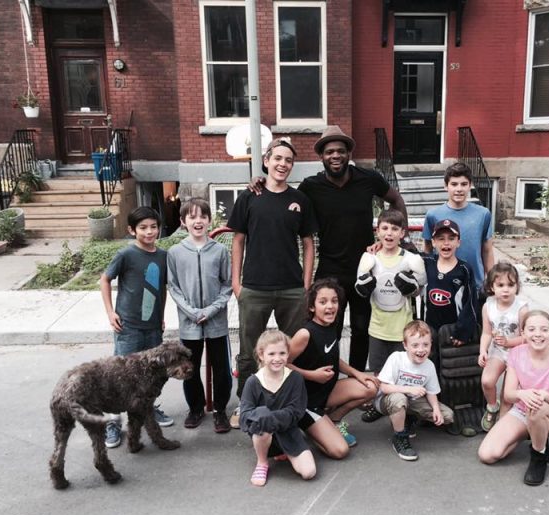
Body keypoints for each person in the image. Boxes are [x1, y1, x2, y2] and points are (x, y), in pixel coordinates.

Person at [299, 126, 410, 372]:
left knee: (361, 328)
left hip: (365, 267)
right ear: (321, 157)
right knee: (328, 328)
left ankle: (357, 377)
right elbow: (285, 200)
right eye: (329, 152)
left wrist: (395, 235)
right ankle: (327, 378)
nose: (335, 155)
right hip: (330, 269)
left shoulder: (367, 179)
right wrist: (262, 179)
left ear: (349, 153)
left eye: (340, 150)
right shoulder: (311, 186)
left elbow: (396, 199)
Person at [227, 138, 318, 428]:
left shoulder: (300, 200)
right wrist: (236, 283)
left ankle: (293, 402)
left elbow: (308, 243)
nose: (282, 164)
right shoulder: (249, 197)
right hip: (254, 287)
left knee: (292, 350)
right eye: (277, 158)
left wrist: (306, 284)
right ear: (266, 161)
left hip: (291, 288)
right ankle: (245, 404)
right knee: (248, 350)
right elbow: (238, 240)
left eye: (288, 160)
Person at [99, 206, 174, 449]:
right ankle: (112, 421)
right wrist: (111, 312)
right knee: (120, 376)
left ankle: (149, 409)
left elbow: (161, 290)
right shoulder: (126, 255)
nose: (149, 231)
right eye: (143, 228)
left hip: (152, 327)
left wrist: (161, 317)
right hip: (128, 327)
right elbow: (105, 279)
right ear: (132, 230)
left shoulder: (163, 256)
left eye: (153, 227)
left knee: (151, 373)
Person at [477, 310, 549, 486]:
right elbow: (508, 394)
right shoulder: (516, 353)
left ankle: (539, 456)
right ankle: (533, 431)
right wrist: (521, 393)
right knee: (488, 455)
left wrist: (545, 396)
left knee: (537, 407)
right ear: (523, 333)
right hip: (522, 410)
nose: (538, 334)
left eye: (544, 329)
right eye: (531, 329)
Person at [289, 278, 379, 455]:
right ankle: (309, 427)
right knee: (340, 451)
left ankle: (333, 419)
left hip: (327, 392)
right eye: (323, 302)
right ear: (312, 307)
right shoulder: (305, 334)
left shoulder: (331, 326)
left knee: (370, 386)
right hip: (307, 401)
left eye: (334, 301)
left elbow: (332, 357)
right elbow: (281, 365)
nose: (330, 306)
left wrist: (357, 373)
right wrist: (311, 375)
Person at [167, 198, 233, 432]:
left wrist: (211, 310)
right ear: (183, 222)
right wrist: (192, 312)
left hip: (216, 322)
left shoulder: (220, 251)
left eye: (202, 216)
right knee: (189, 368)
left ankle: (220, 410)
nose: (198, 221)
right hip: (189, 323)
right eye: (192, 217)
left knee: (221, 368)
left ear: (209, 220)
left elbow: (227, 285)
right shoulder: (175, 252)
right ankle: (195, 409)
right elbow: (173, 287)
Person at [239, 330, 316, 487]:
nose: (277, 358)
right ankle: (262, 462)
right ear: (261, 355)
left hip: (288, 430)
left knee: (309, 472)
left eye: (282, 353)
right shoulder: (253, 382)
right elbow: (244, 416)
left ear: (288, 355)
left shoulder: (295, 378)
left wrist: (270, 418)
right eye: (271, 353)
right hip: (263, 433)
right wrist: (263, 418)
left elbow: (297, 411)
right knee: (261, 419)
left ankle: (284, 451)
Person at [355, 208, 426, 375]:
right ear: (377, 230)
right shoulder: (369, 258)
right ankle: (381, 401)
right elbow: (360, 290)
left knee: (403, 373)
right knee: (378, 373)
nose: (389, 233)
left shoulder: (411, 260)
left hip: (402, 329)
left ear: (402, 233)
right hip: (377, 328)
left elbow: (420, 290)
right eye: (385, 228)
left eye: (395, 229)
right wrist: (364, 286)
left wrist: (413, 288)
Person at [375, 320, 455, 461]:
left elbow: (431, 392)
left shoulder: (429, 366)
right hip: (387, 401)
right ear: (405, 345)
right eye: (415, 345)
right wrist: (409, 389)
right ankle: (400, 437)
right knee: (399, 399)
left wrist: (436, 409)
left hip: (412, 402)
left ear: (431, 344)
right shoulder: (396, 358)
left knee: (447, 416)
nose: (421, 349)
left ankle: (408, 419)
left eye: (426, 344)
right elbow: (384, 387)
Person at [423, 162, 494, 295]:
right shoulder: (433, 215)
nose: (459, 189)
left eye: (464, 184)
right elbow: (427, 250)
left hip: (474, 284)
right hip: (442, 284)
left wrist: (491, 281)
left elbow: (487, 250)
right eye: (454, 184)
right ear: (446, 186)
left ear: (470, 185)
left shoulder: (483, 214)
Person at [478, 262, 528, 432]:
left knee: (508, 395)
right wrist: (483, 350)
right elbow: (486, 332)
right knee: (487, 381)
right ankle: (492, 406)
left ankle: (502, 428)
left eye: (510, 285)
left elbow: (527, 338)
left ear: (517, 286)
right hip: (498, 352)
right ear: (492, 287)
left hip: (517, 355)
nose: (505, 289)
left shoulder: (521, 309)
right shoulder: (488, 306)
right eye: (500, 285)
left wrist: (509, 343)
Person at [422, 218, 479, 367]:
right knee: (431, 364)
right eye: (441, 239)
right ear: (433, 242)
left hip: (452, 328)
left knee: (450, 367)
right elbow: (402, 252)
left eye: (451, 238)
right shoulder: (427, 262)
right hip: (430, 327)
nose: (446, 243)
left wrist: (463, 331)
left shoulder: (464, 269)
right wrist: (380, 245)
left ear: (458, 242)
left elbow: (471, 302)